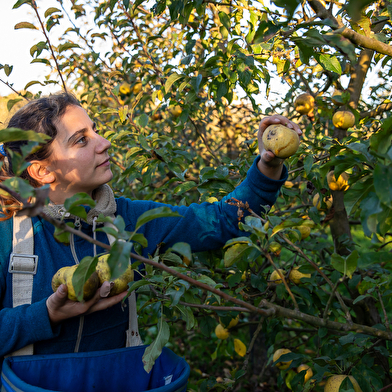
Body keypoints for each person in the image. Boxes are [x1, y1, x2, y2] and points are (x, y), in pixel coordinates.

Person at [0, 92, 301, 379]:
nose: (104, 143)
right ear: (42, 171)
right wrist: (46, 314)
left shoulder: (130, 221)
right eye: (82, 140)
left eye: (95, 131)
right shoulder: (8, 237)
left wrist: (267, 164)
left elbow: (222, 221)